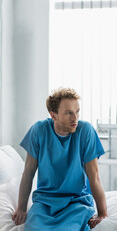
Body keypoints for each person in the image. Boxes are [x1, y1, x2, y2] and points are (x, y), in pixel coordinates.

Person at [12, 88, 107, 230]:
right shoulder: (38, 131)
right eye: (69, 113)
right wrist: (21, 209)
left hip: (76, 201)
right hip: (44, 203)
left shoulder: (85, 131)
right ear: (53, 115)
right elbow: (28, 172)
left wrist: (102, 213)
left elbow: (94, 177)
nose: (75, 118)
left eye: (77, 112)